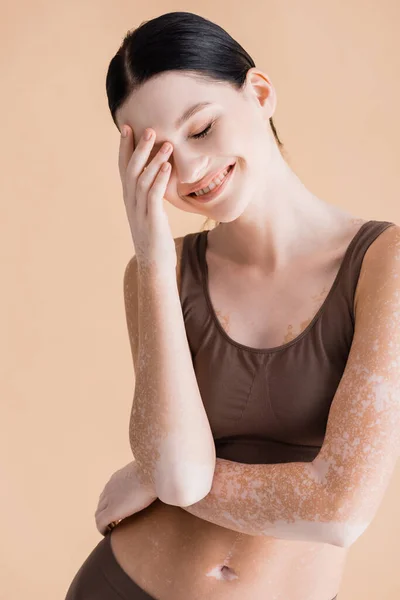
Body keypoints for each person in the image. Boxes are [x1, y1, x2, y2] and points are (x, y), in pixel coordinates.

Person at [64, 10, 400, 600]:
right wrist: (152, 258)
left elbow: (338, 510)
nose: (189, 170)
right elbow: (174, 465)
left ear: (260, 94)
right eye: (158, 159)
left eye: (200, 130)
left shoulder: (384, 262)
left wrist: (162, 481)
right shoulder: (158, 275)